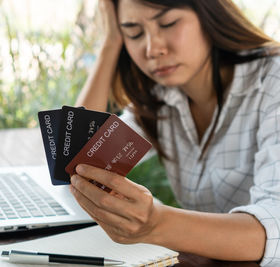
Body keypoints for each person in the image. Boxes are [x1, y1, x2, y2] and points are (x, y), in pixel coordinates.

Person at [70, 0, 280, 266]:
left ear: (209, 14)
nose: (152, 48)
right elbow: (78, 158)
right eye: (133, 32)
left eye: (168, 23)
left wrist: (157, 223)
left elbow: (276, 228)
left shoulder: (273, 80)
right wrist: (110, 44)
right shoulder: (161, 98)